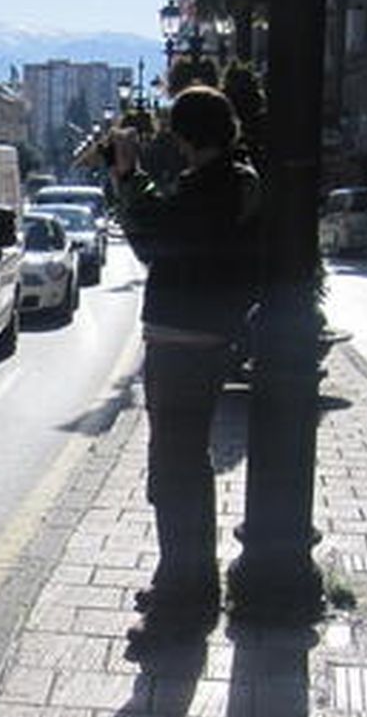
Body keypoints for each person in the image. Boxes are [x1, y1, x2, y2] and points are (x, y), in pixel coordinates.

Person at [105, 86, 262, 650]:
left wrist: (127, 172)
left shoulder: (213, 188)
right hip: (201, 338)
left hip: (184, 342)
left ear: (188, 135)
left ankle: (183, 602)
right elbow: (163, 229)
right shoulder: (231, 181)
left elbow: (154, 241)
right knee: (183, 467)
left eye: (175, 130)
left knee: (173, 474)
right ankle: (185, 581)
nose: (170, 138)